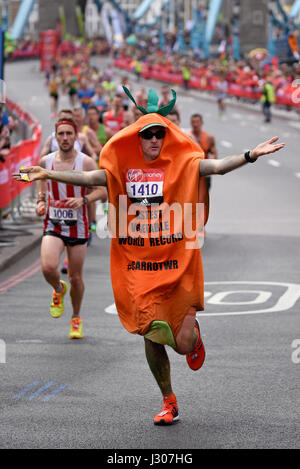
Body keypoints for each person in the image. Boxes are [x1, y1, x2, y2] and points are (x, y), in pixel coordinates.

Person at [15, 87, 285, 425]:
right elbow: (87, 177)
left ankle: (194, 335)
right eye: (148, 134)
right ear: (138, 138)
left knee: (183, 345)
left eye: (160, 133)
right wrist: (47, 173)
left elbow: (216, 167)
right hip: (140, 267)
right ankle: (168, 400)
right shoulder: (123, 170)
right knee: (150, 330)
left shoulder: (185, 163)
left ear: (167, 136)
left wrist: (249, 155)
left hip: (178, 264)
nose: (155, 139)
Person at [28, 118, 106, 339]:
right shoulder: (46, 161)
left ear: (75, 136)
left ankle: (76, 318)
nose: (64, 138)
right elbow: (41, 185)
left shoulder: (87, 163)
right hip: (53, 222)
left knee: (76, 278)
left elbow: (103, 192)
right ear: (55, 137)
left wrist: (84, 200)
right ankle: (58, 289)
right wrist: (41, 202)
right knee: (48, 268)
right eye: (60, 134)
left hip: (78, 226)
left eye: (68, 134)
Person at [187, 114, 217, 191]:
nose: (195, 124)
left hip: (204, 173)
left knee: (202, 201)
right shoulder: (187, 136)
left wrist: (212, 158)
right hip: (191, 173)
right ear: (190, 123)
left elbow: (215, 155)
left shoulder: (209, 138)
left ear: (202, 123)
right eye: (193, 122)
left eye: (197, 122)